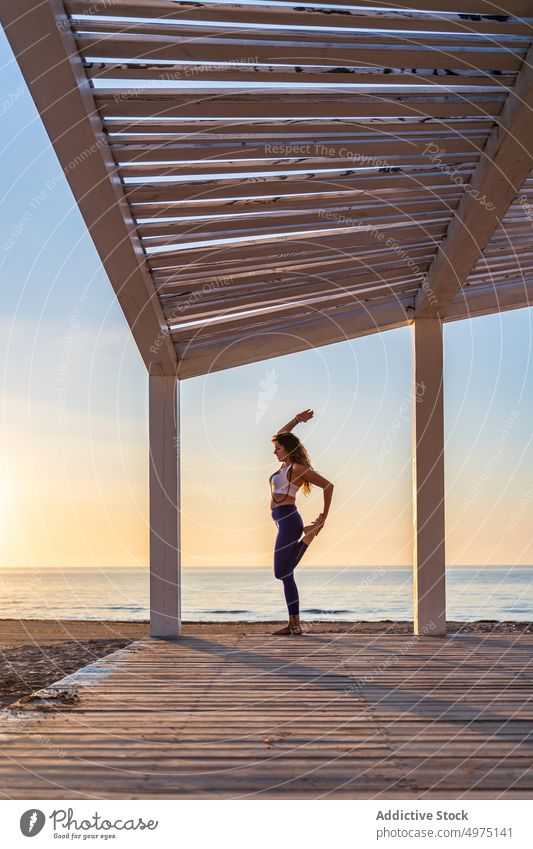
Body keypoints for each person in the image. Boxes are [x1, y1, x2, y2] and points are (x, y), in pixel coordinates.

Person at [269, 409, 334, 636]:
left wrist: (324, 517)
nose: (275, 452)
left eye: (278, 448)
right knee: (287, 575)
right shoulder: (285, 466)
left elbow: (328, 485)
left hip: (289, 520)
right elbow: (281, 433)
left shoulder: (297, 469)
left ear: (287, 449)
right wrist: (297, 420)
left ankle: (309, 535)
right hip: (281, 521)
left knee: (280, 573)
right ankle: (294, 624)